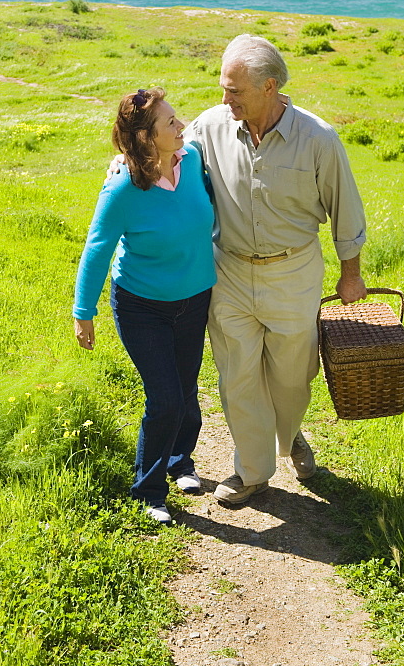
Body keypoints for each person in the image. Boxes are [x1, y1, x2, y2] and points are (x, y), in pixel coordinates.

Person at [183, 34, 367, 505]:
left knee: (293, 377)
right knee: (237, 376)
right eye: (224, 88)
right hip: (228, 271)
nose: (226, 100)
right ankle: (252, 471)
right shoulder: (210, 126)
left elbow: (345, 208)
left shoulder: (318, 139)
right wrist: (126, 164)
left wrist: (351, 273)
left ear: (270, 87)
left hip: (293, 273)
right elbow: (170, 161)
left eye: (235, 90)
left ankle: (290, 436)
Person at [73, 87, 216, 525]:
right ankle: (149, 490)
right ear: (146, 138)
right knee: (166, 397)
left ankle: (180, 460)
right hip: (142, 305)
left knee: (187, 387)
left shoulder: (192, 162)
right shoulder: (122, 186)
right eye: (170, 123)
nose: (181, 126)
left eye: (176, 118)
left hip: (194, 298)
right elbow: (97, 247)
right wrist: (84, 311)